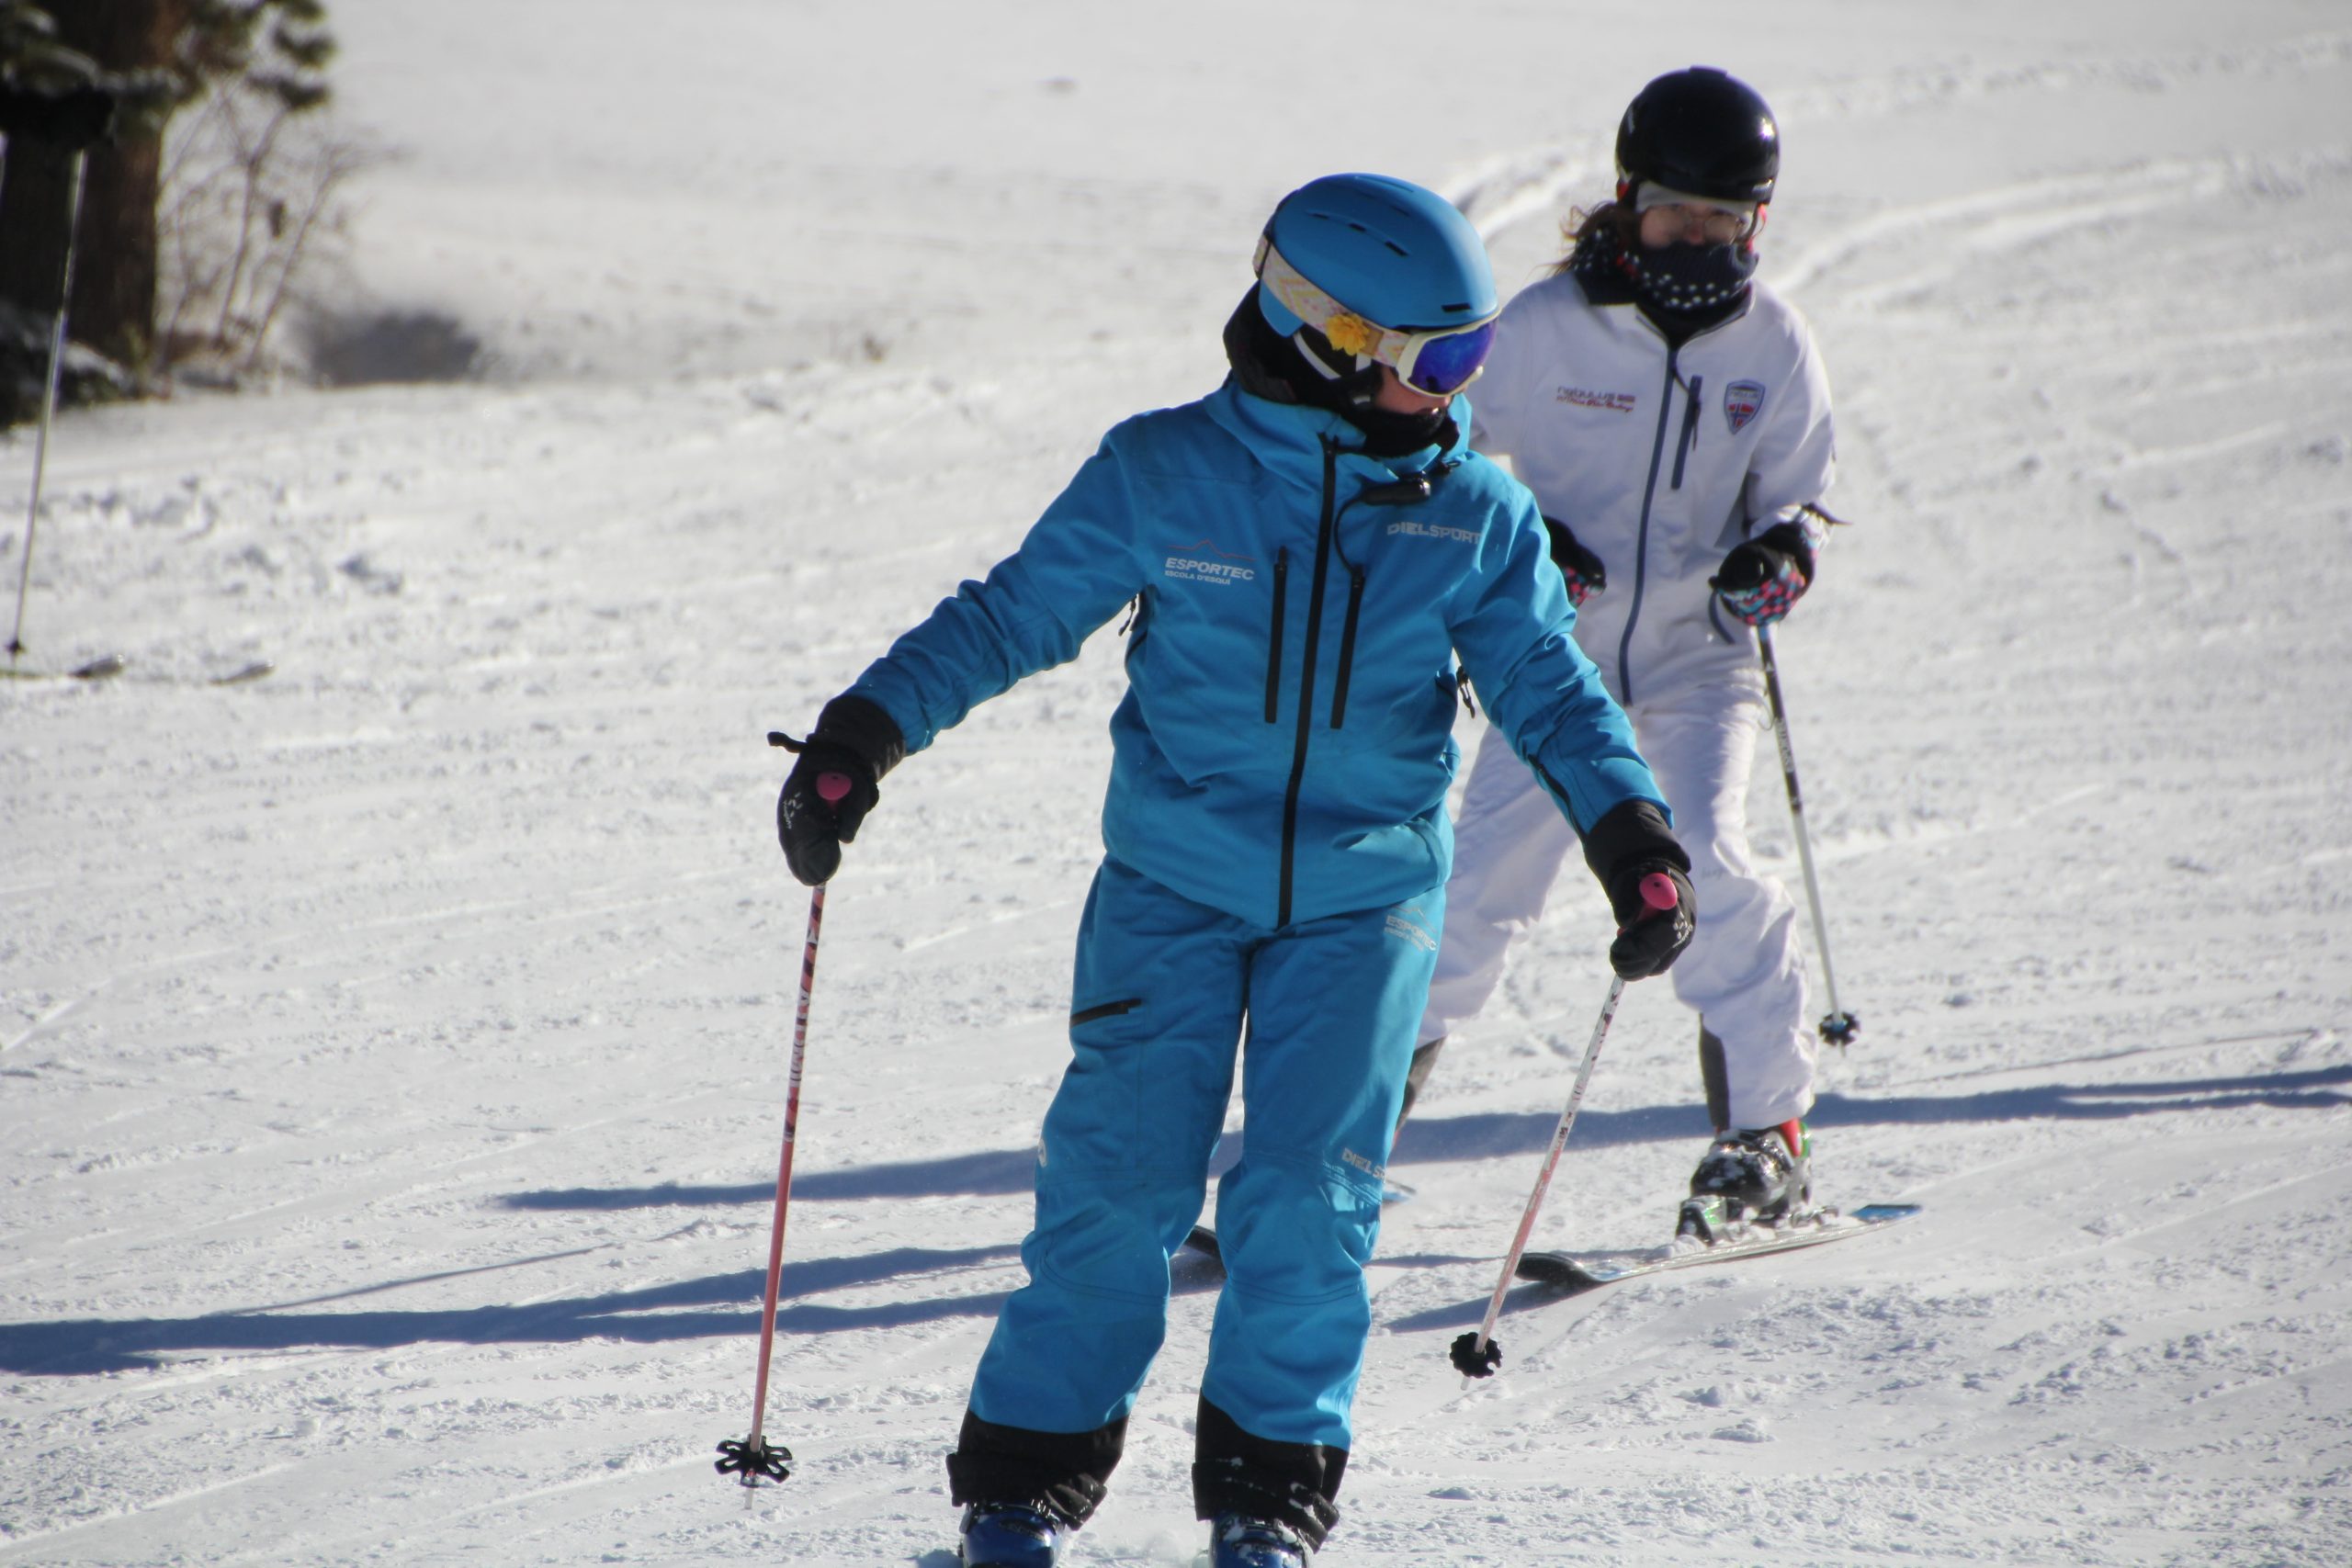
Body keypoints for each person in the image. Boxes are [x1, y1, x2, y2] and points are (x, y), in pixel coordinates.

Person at [773, 173, 1694, 1568]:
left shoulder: (1475, 515)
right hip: (1169, 890)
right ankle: (1018, 1494)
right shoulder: (1165, 472)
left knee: (1309, 1206)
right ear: (1329, 336)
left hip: (1364, 903)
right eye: (1436, 359)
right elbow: (1009, 617)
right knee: (1116, 1194)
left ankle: (1266, 1506)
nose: (1457, 390)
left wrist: (1631, 834)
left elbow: (1553, 696)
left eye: (1474, 355)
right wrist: (863, 733)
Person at [1405, 66, 1840, 1242]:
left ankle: (1764, 1138)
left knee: (1703, 854)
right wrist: (1522, 538)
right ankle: (1336, 1139)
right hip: (1554, 671)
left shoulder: (1773, 344)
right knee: (1465, 895)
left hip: (1701, 666)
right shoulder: (1544, 331)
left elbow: (1797, 509)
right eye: (1670, 212)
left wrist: (1773, 564)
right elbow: (1436, 454)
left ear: (1758, 220)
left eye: (1723, 220)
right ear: (1622, 197)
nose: (1693, 239)